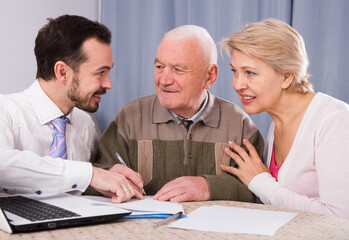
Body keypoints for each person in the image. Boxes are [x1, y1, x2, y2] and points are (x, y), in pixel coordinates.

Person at [0, 15, 143, 203]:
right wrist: (91, 174)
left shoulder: (85, 124)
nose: (108, 84)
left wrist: (101, 176)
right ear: (62, 72)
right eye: (100, 73)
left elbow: (79, 182)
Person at [93, 25, 264, 203]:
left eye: (178, 69)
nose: (164, 80)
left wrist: (208, 186)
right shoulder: (130, 117)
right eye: (159, 66)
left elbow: (259, 192)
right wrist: (106, 179)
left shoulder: (240, 125)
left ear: (210, 76)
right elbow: (95, 176)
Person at [219, 18, 349, 219]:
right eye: (235, 71)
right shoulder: (276, 124)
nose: (238, 84)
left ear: (287, 77)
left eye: (250, 73)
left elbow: (339, 217)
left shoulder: (334, 120)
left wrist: (259, 181)